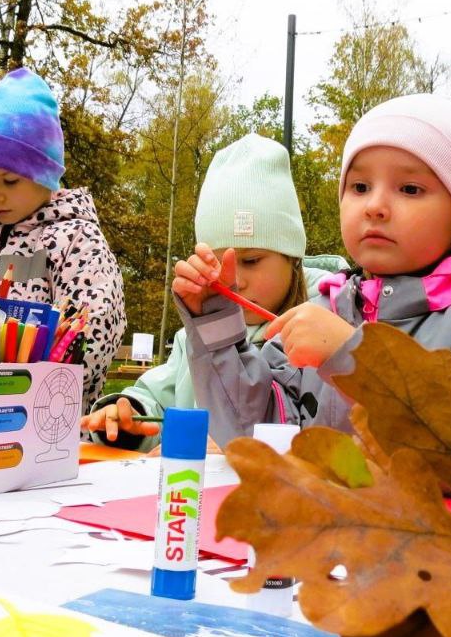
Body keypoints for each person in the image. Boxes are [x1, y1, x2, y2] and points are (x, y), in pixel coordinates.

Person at [172, 93, 451, 446]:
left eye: (410, 189)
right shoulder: (323, 310)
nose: (375, 206)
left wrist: (357, 359)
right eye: (360, 186)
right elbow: (250, 435)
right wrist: (214, 323)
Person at [80, 133, 346, 452]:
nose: (234, 282)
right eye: (216, 266)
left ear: (292, 257)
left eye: (250, 261)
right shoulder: (193, 340)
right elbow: (158, 399)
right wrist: (129, 417)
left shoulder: (330, 327)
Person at [0, 67, 126, 411]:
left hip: (41, 431)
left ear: (43, 172)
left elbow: (93, 341)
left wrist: (1, 382)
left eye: (9, 181)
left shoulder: (75, 241)